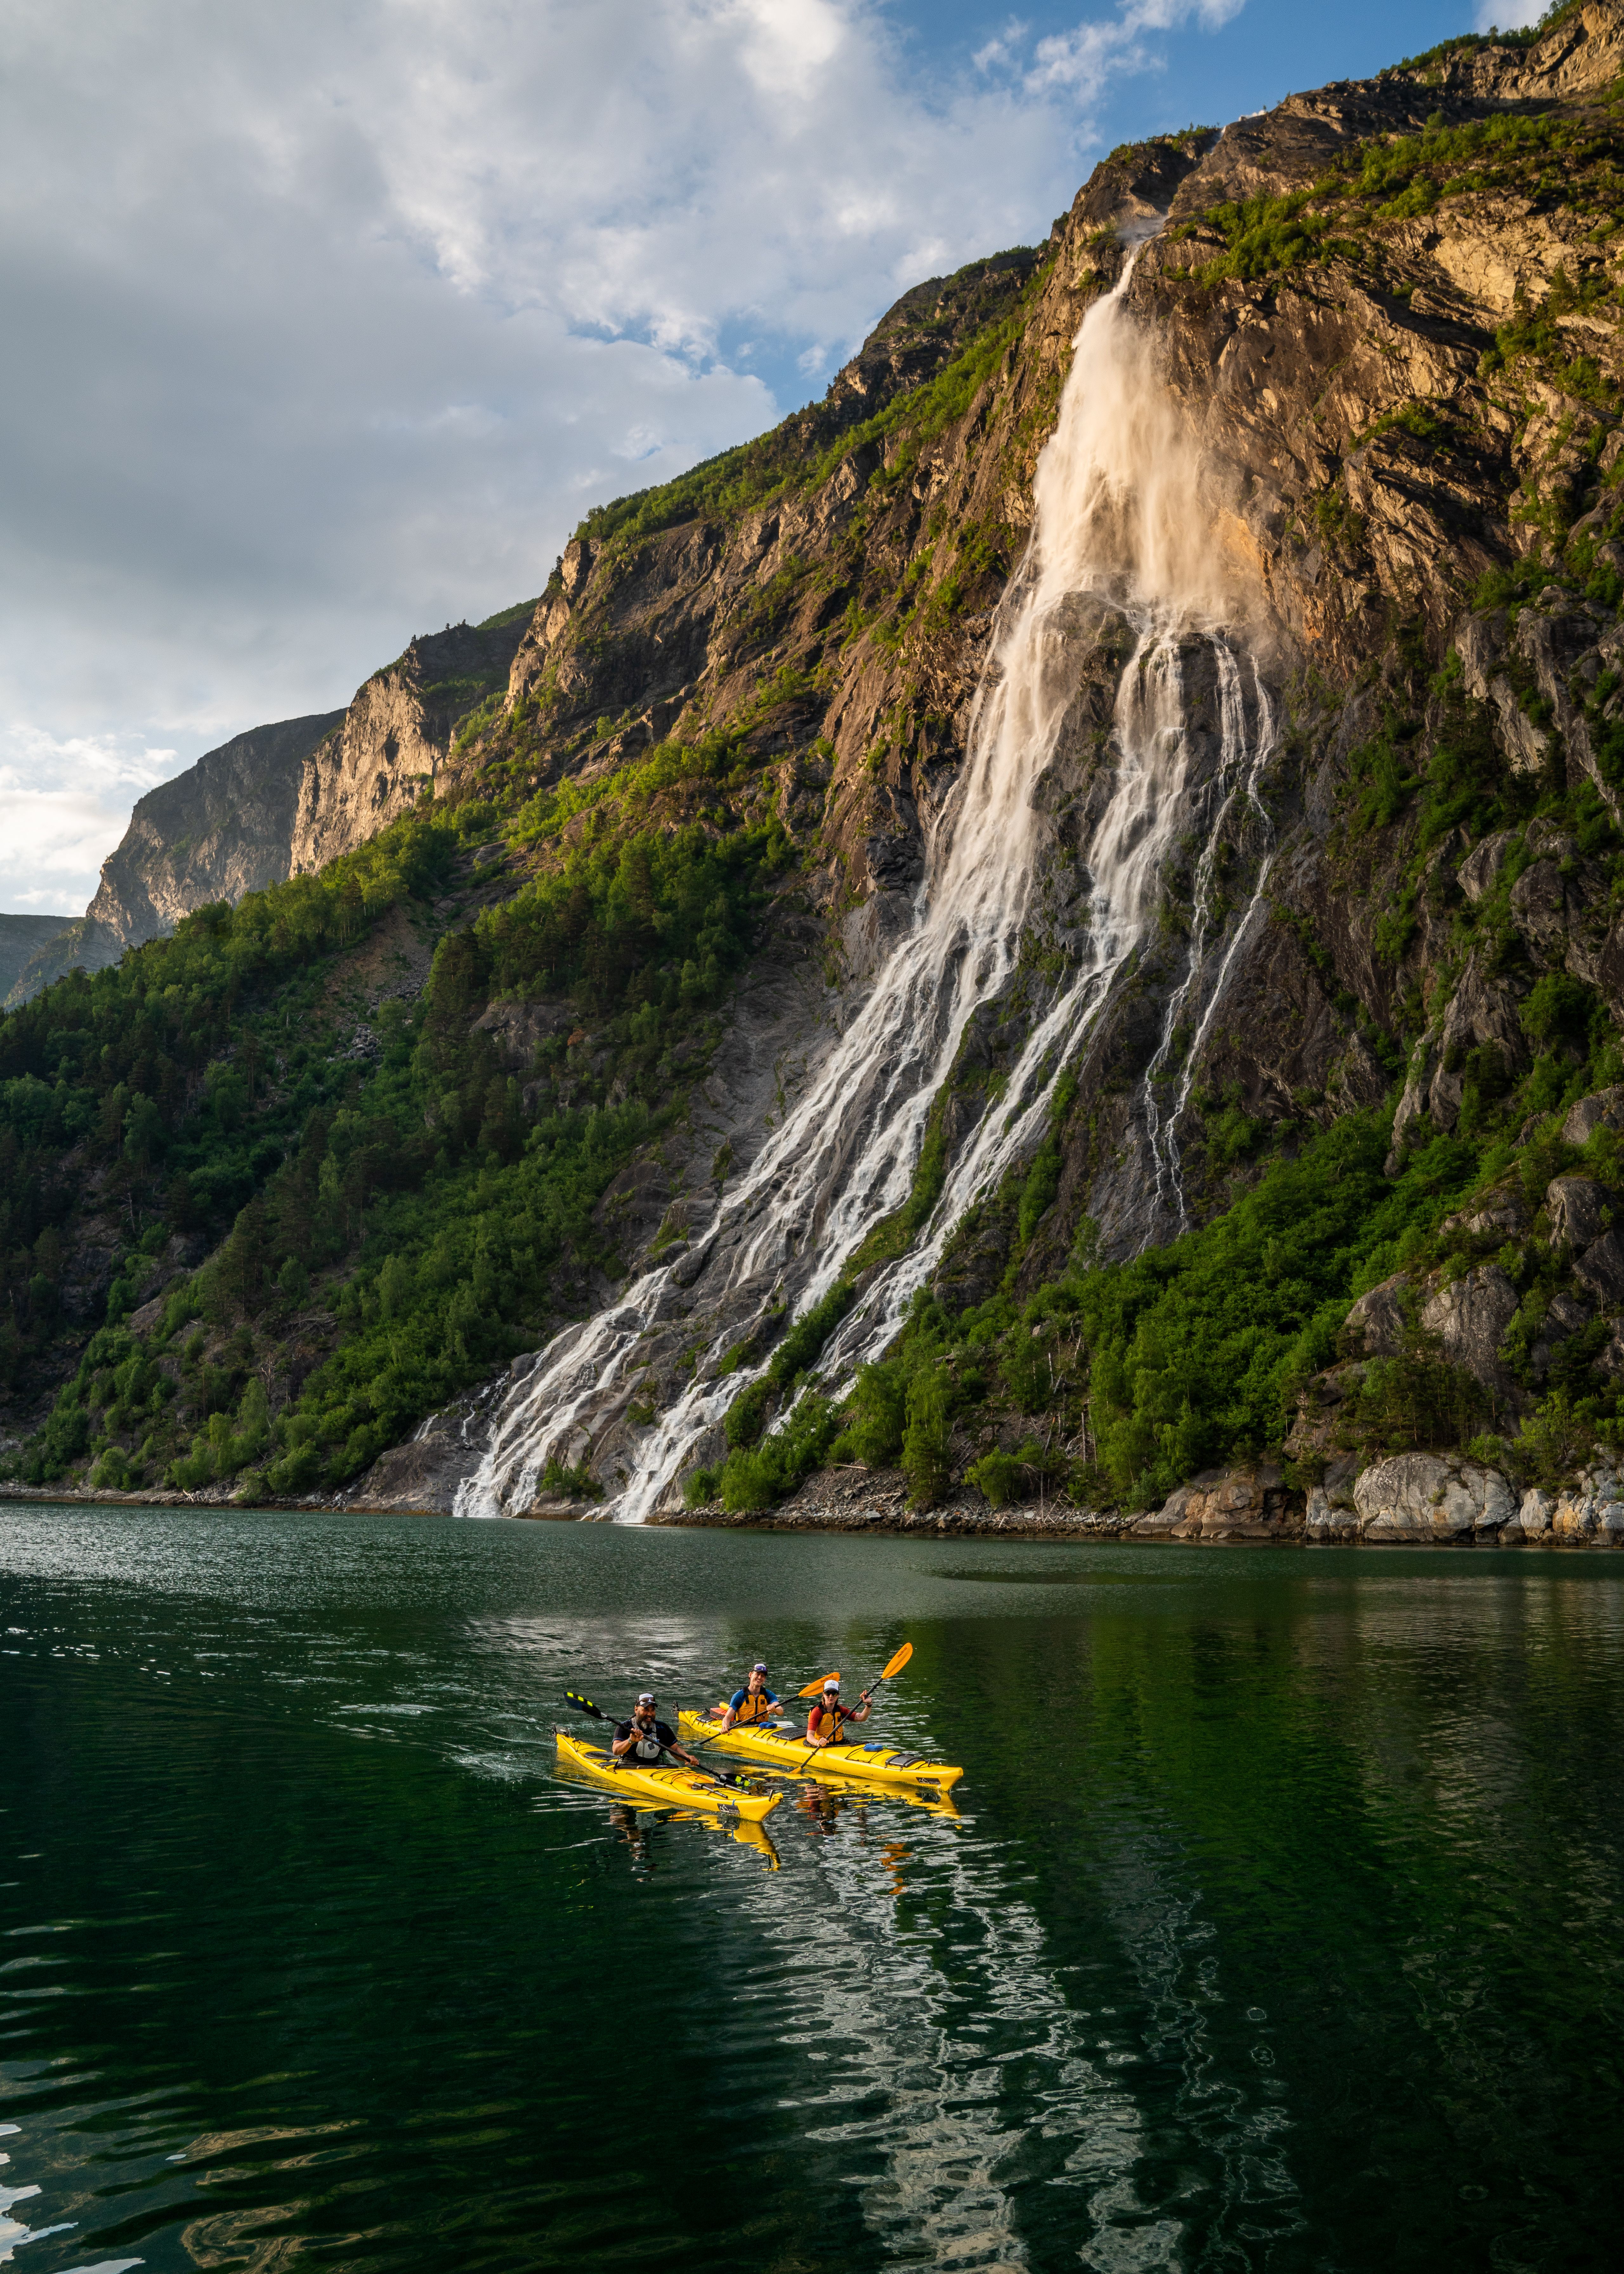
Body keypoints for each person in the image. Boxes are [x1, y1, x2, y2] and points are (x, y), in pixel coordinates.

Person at [611, 1692, 706, 1771]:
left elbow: (675, 1749)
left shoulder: (662, 1728)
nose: (650, 1714)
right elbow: (616, 1750)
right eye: (646, 1710)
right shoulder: (625, 1727)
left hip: (655, 1767)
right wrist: (630, 1741)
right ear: (636, 1710)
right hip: (629, 1767)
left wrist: (687, 1757)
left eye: (653, 1710)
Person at [804, 1675, 870, 1748]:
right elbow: (810, 1736)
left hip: (839, 1744)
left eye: (834, 1693)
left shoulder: (841, 1710)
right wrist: (818, 1743)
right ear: (824, 1695)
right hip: (822, 1746)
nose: (831, 1696)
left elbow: (862, 1718)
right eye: (828, 1693)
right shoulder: (817, 1712)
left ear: (838, 1695)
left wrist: (869, 1704)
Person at [721, 1662, 780, 1730]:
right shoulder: (739, 1696)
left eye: (763, 1676)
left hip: (763, 1727)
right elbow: (728, 1718)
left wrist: (774, 1709)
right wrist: (725, 1727)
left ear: (765, 1679)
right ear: (751, 1675)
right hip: (742, 1727)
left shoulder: (768, 1694)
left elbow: (781, 1711)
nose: (760, 1677)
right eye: (758, 1674)